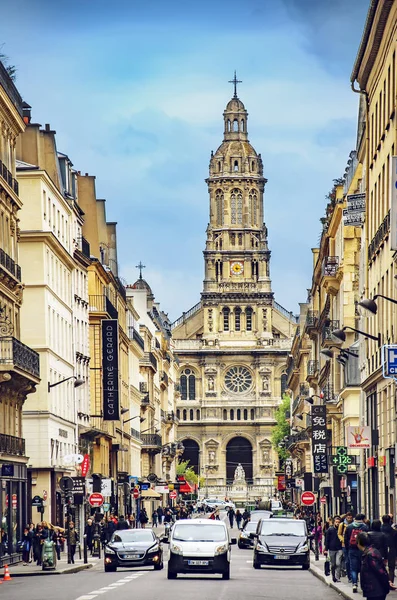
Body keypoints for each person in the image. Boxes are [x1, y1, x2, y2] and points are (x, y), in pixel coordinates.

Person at [357, 531, 395, 600]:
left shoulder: (370, 555)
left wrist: (387, 581)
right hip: (375, 590)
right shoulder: (371, 552)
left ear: (359, 542)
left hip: (375, 591)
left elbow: (380, 571)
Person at [345, 513, 369, 593]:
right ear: (362, 519)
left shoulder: (349, 527)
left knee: (353, 568)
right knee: (363, 567)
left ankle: (354, 584)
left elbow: (346, 539)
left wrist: (348, 548)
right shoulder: (365, 527)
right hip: (362, 549)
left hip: (352, 549)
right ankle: (363, 585)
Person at [324, 516, 343, 583]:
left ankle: (337, 577)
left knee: (338, 563)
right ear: (334, 522)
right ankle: (333, 576)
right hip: (332, 548)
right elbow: (327, 540)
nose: (337, 523)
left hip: (339, 548)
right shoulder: (330, 530)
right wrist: (326, 549)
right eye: (336, 522)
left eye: (339, 522)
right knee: (333, 564)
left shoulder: (342, 529)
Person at [382, 515, 397, 583]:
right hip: (391, 549)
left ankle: (383, 581)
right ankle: (390, 581)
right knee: (391, 567)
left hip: (381, 549)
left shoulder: (379, 529)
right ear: (390, 520)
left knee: (381, 566)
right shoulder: (393, 531)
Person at [339, 512, 353, 582]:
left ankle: (353, 574)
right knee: (347, 561)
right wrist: (343, 540)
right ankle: (349, 575)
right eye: (348, 518)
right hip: (344, 545)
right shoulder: (342, 525)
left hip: (352, 544)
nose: (349, 519)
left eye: (351, 518)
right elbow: (339, 534)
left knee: (352, 560)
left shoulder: (353, 524)